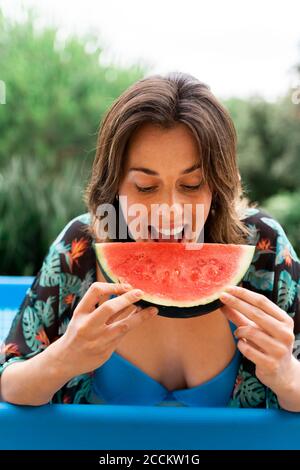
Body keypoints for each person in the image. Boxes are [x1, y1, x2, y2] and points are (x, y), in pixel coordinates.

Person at [0, 72, 299, 409]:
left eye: (191, 185)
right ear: (114, 185)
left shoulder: (264, 249)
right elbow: (8, 383)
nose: (170, 212)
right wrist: (63, 359)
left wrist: (288, 375)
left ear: (217, 185)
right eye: (145, 187)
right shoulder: (80, 249)